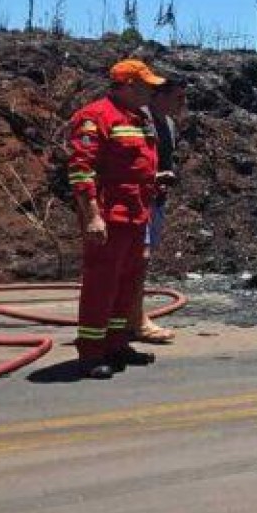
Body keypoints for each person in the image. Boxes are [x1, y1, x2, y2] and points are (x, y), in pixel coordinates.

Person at [67, 59, 165, 379]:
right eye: (147, 86)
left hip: (137, 214)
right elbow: (81, 172)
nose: (152, 92)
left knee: (127, 284)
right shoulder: (95, 117)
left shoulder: (138, 118)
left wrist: (156, 179)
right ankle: (91, 352)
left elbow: (135, 165)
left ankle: (116, 344)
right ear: (128, 86)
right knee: (102, 285)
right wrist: (92, 217)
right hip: (110, 218)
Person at [134, 76, 186, 344]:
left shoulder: (168, 124)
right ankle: (136, 321)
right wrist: (153, 177)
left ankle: (128, 317)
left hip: (156, 200)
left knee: (142, 258)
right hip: (135, 200)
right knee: (137, 258)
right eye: (178, 97)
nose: (182, 103)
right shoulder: (139, 120)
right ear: (159, 95)